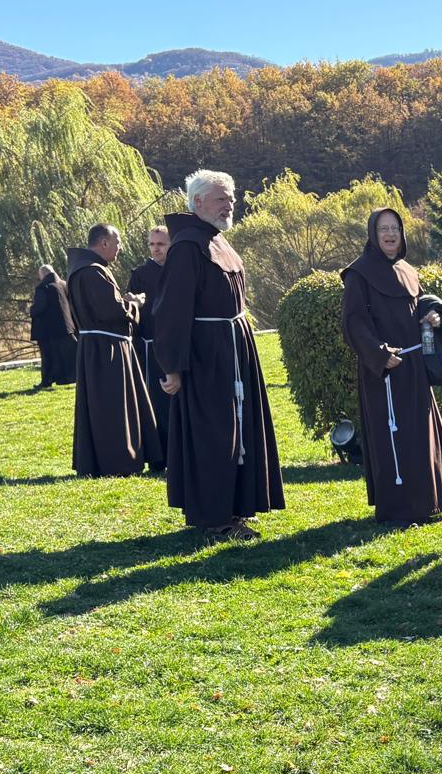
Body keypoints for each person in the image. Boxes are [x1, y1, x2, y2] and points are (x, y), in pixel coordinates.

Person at [155, 170, 285, 539]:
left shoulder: (216, 239)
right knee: (215, 433)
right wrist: (172, 367)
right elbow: (171, 311)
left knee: (239, 427)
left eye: (231, 198)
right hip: (206, 355)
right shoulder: (187, 247)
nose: (229, 205)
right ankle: (215, 517)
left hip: (234, 348)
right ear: (198, 202)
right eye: (221, 198)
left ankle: (238, 505)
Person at [341, 207, 442, 525]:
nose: (390, 234)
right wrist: (379, 354)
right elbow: (354, 322)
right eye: (383, 228)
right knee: (395, 437)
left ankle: (428, 502)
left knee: (420, 435)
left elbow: (418, 310)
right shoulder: (358, 273)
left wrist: (432, 318)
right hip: (386, 368)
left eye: (395, 228)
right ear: (373, 234)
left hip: (414, 366)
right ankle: (400, 509)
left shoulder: (409, 271)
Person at [67, 224, 162, 478]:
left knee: (106, 404)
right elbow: (112, 311)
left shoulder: (85, 268)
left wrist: (125, 302)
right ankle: (119, 461)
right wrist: (135, 304)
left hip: (98, 346)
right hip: (106, 349)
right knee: (112, 406)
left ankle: (107, 460)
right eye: (117, 242)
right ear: (104, 243)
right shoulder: (92, 271)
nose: (120, 248)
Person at [128, 225, 172, 440]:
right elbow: (132, 314)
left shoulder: (181, 270)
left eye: (161, 244)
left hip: (180, 344)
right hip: (151, 348)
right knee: (157, 402)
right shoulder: (140, 275)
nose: (156, 249)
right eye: (152, 244)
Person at [29, 264, 78, 389]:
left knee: (48, 356)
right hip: (67, 327)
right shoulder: (64, 285)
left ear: (43, 274)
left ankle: (46, 381)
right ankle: (75, 377)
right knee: (71, 355)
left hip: (48, 329)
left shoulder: (43, 287)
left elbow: (40, 307)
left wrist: (31, 310)